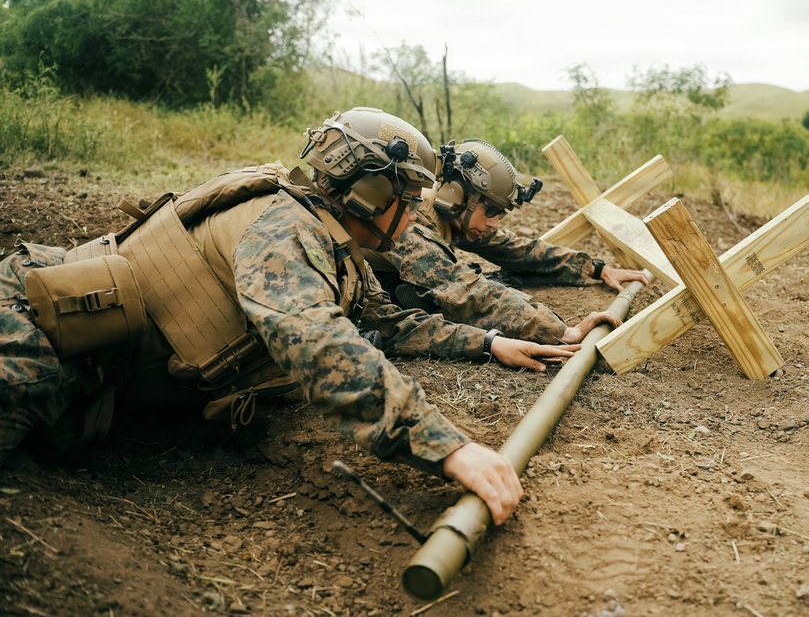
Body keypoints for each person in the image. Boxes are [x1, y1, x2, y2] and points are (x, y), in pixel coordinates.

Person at [0, 107, 577, 525]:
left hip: (103, 369)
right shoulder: (284, 227)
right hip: (34, 325)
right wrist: (447, 446)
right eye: (407, 196)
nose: (417, 211)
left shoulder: (338, 249)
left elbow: (388, 324)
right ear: (372, 194)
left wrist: (489, 343)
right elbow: (318, 342)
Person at [365, 139, 650, 344]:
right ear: (456, 195)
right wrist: (561, 331)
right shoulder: (410, 226)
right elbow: (466, 291)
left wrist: (596, 269)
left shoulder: (447, 214)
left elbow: (513, 248)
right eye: (490, 212)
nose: (493, 223)